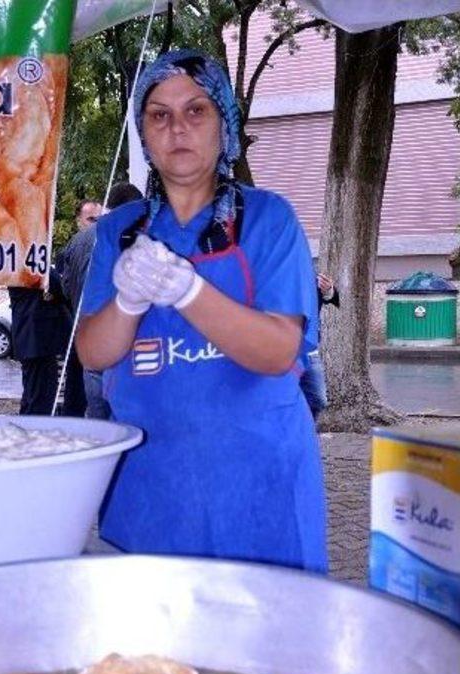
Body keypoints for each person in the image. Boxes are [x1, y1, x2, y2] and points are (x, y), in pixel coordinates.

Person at [76, 49, 327, 573]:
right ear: (143, 134)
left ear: (224, 125)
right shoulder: (119, 231)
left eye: (196, 111)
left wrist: (187, 290)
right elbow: (94, 353)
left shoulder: (268, 221)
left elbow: (280, 350)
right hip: (150, 490)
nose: (178, 128)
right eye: (159, 115)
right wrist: (127, 300)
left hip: (261, 492)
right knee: (154, 650)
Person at [60, 182, 144, 419]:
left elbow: (67, 287)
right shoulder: (139, 236)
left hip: (90, 341)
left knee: (98, 418)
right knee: (129, 419)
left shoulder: (78, 241)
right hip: (126, 343)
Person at [8, 269, 85, 416]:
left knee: (32, 393)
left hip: (31, 339)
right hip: (39, 340)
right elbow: (59, 286)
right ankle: (35, 430)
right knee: (41, 395)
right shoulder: (32, 262)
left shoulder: (16, 265)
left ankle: (26, 428)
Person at [300, 272, 339, 420]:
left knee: (318, 399)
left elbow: (335, 299)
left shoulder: (310, 276)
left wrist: (328, 290)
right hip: (281, 354)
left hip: (309, 353)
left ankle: (306, 433)